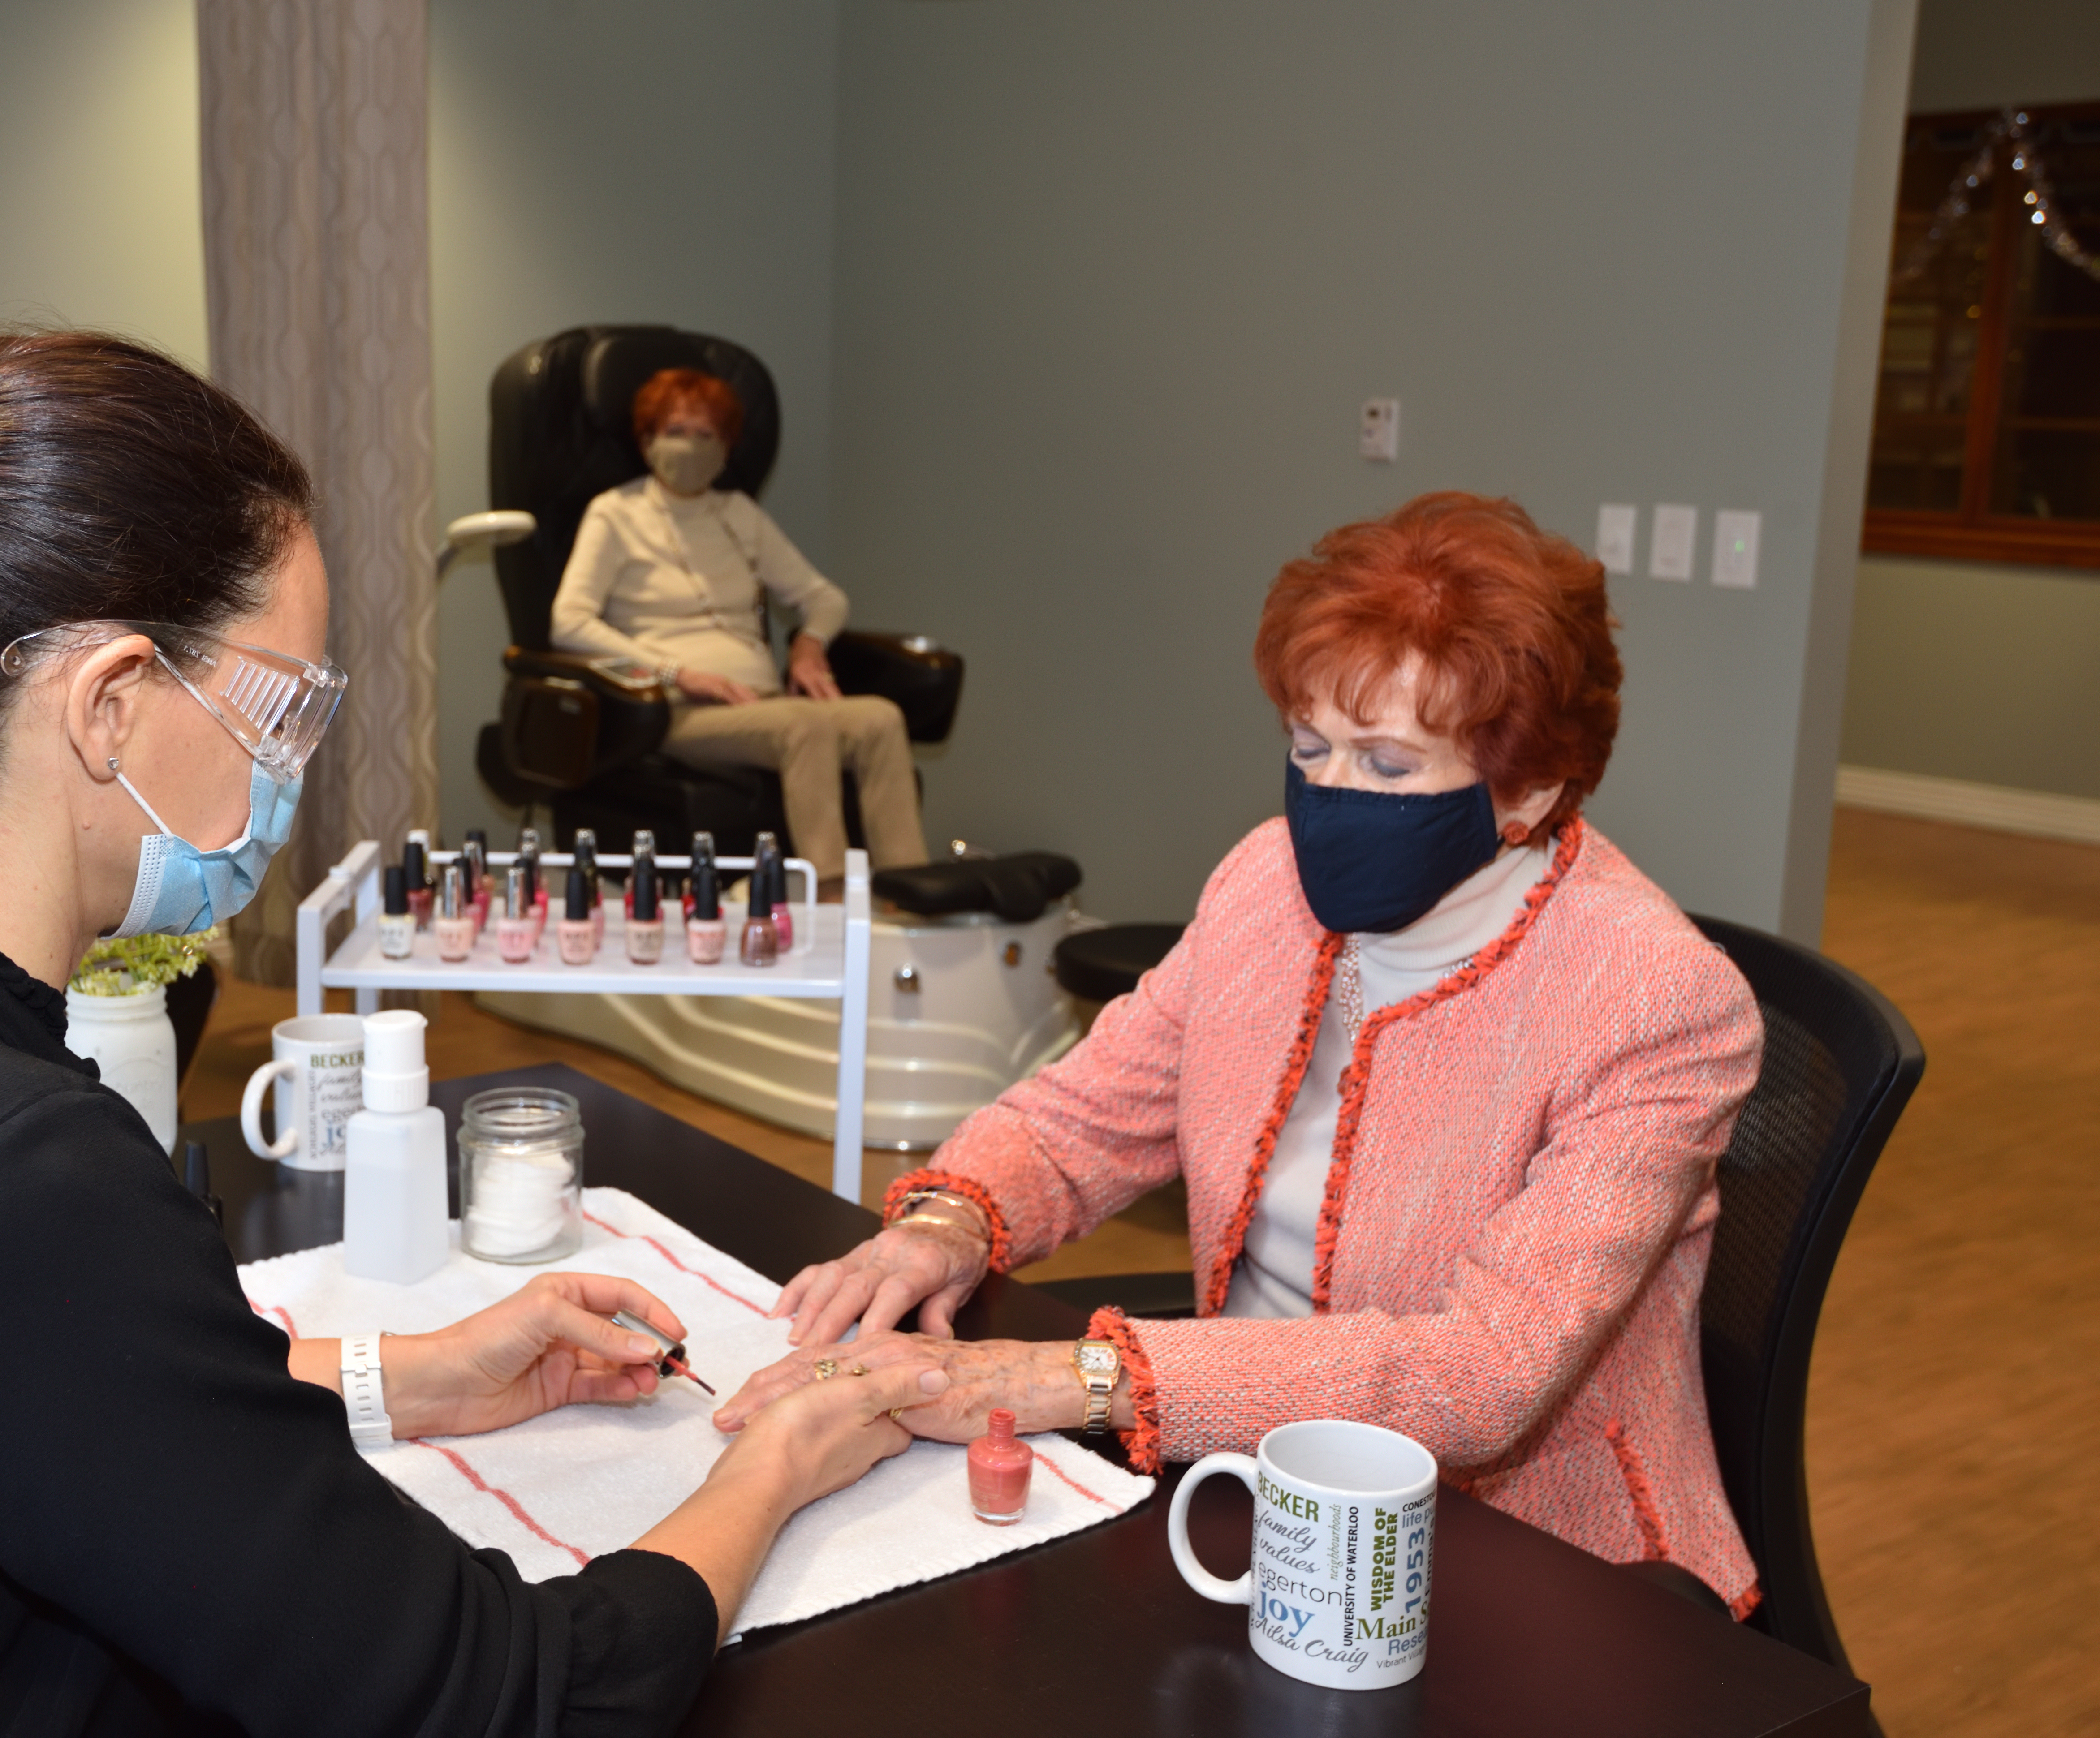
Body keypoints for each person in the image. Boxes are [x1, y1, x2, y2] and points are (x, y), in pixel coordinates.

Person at [0, 333, 947, 1736]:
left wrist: (399, 1375)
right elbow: (496, 1695)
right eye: (286, 708)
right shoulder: (4, 1169)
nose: (295, 764)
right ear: (110, 703)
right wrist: (771, 1470)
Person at [720, 492, 1768, 1613]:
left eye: (1388, 764)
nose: (1328, 797)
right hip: (1233, 1461)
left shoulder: (1655, 1000)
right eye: (1308, 747)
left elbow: (1480, 1376)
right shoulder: (1265, 881)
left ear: (1532, 790)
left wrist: (1064, 1376)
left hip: (1513, 1549)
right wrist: (949, 1222)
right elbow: (1085, 1114)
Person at [550, 367, 930, 869]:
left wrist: (809, 645)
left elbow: (825, 597)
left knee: (880, 718)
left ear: (727, 448)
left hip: (764, 705)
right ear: (646, 442)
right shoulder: (615, 514)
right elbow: (569, 622)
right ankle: (832, 891)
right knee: (805, 728)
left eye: (705, 434)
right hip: (677, 710)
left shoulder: (739, 514)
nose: (690, 446)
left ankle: (906, 892)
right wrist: (678, 673)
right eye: (675, 432)